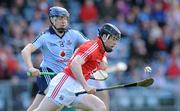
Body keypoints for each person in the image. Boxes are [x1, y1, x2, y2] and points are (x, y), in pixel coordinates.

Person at [34, 23, 121, 111]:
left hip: (77, 88)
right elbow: (74, 64)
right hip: (65, 85)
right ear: (105, 36)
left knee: (99, 107)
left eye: (117, 40)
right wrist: (86, 86)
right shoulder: (93, 47)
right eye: (114, 39)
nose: (115, 43)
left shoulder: (100, 51)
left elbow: (89, 68)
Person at [21, 6, 87, 111]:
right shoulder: (45, 36)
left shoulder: (74, 34)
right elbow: (26, 50)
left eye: (65, 18)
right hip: (48, 75)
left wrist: (102, 60)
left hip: (65, 77)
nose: (63, 21)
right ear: (52, 19)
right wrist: (30, 68)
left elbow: (92, 47)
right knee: (58, 104)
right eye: (60, 18)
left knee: (36, 107)